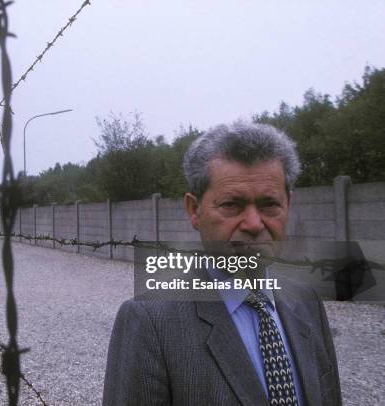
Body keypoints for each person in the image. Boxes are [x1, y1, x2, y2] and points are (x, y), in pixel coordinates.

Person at [103, 122, 342, 406]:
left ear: (287, 204)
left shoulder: (307, 302)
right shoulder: (150, 323)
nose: (254, 224)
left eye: (269, 204)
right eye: (231, 205)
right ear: (194, 210)